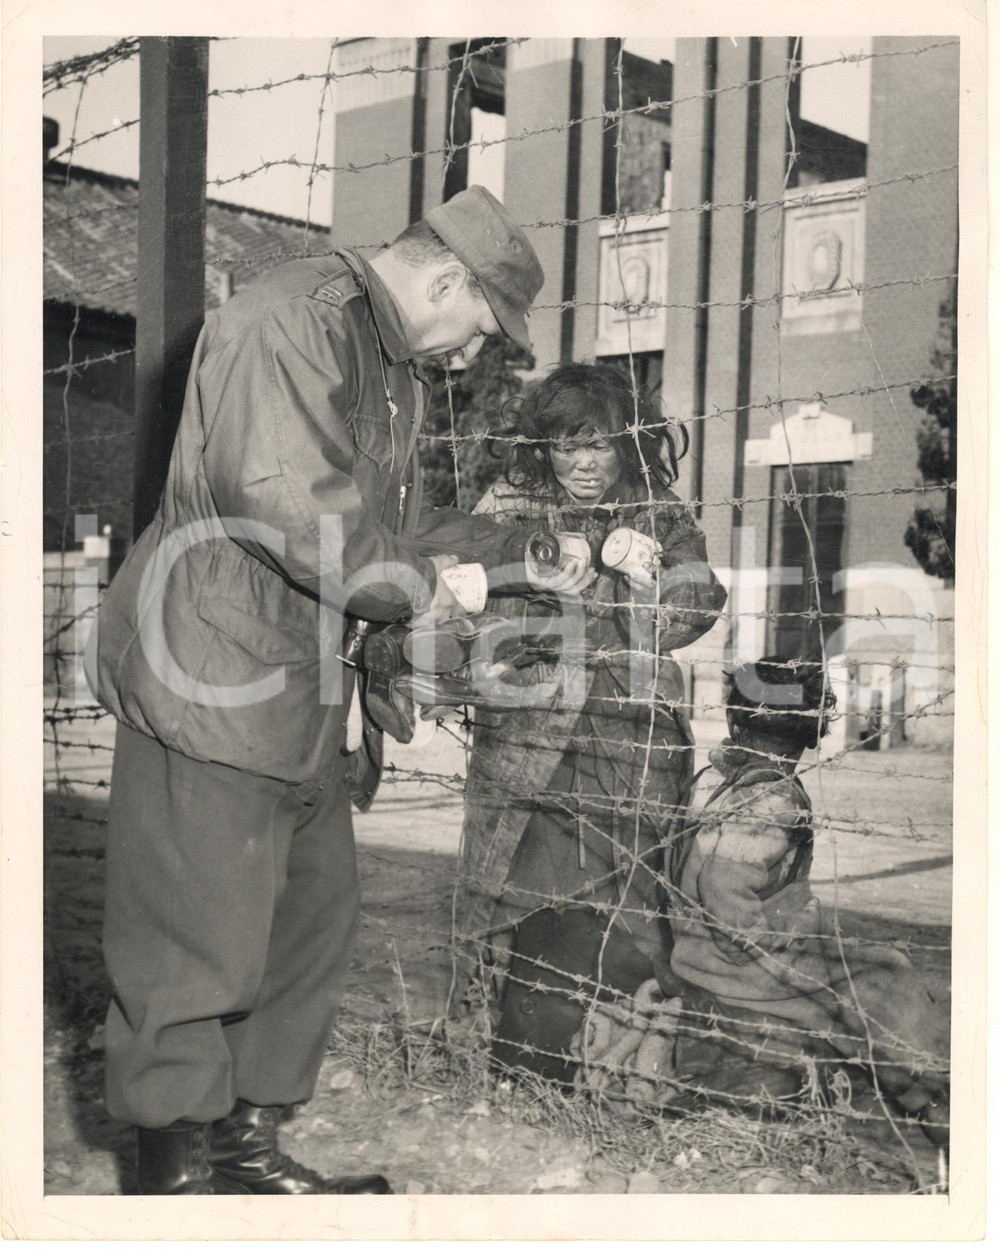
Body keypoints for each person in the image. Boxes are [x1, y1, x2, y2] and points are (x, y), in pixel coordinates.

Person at [86, 186, 592, 1195]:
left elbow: (381, 529)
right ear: (446, 280)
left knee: (304, 929)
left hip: (300, 693)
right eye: (484, 327)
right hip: (215, 677)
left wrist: (516, 550)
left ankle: (246, 1151)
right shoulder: (293, 317)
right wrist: (429, 592)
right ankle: (174, 1183)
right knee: (193, 943)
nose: (474, 354)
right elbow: (283, 498)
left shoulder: (388, 365)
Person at [455, 363, 727, 1084]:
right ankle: (517, 1057)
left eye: (600, 446)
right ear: (540, 446)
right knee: (524, 900)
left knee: (629, 905)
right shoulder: (510, 501)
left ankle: (614, 1060)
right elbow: (457, 591)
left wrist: (660, 582)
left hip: (632, 741)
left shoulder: (656, 507)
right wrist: (525, 580)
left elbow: (700, 592)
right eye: (565, 445)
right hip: (530, 743)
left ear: (627, 447)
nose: (582, 462)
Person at [661, 657, 949, 1144]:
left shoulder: (711, 779)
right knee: (884, 982)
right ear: (815, 734)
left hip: (698, 946)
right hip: (738, 963)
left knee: (867, 963)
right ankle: (933, 1100)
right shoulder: (771, 801)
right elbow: (727, 895)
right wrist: (787, 951)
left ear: (734, 720)